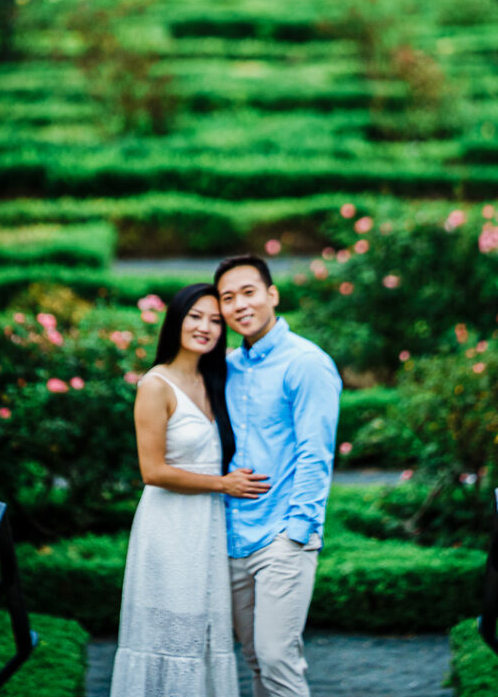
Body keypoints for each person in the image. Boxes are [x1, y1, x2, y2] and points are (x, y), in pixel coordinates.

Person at [110, 283, 270, 697]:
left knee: (203, 634)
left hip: (208, 525)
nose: (205, 327)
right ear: (176, 320)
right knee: (170, 636)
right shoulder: (155, 385)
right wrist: (222, 484)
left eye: (216, 320)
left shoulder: (214, 379)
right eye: (195, 316)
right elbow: (152, 470)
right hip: (169, 525)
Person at [214, 255, 342, 697]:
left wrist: (297, 532)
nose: (239, 305)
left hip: (282, 538)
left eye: (248, 292)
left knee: (276, 658)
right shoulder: (228, 366)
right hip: (232, 537)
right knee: (255, 661)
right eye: (227, 298)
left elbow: (316, 453)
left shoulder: (306, 363)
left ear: (272, 295)